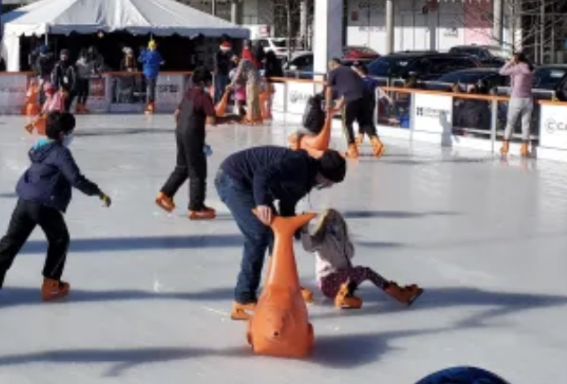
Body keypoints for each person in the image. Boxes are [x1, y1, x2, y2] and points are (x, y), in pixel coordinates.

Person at [0, 112, 111, 306]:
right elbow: (75, 179)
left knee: (10, 243)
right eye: (70, 132)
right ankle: (51, 284)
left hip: (24, 200)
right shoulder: (60, 152)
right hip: (44, 203)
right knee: (60, 239)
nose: (71, 135)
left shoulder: (39, 148)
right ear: (62, 134)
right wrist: (98, 192)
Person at [213, 144, 347, 319]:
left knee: (277, 237)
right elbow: (262, 175)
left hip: (253, 186)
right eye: (330, 182)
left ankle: (282, 283)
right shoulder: (298, 164)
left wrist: (297, 231)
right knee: (258, 235)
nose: (329, 186)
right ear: (324, 175)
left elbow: (287, 205)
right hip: (233, 179)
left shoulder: (306, 179)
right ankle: (243, 298)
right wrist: (261, 202)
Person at [299, 208, 422, 308]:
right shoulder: (321, 240)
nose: (334, 225)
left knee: (356, 274)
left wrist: (344, 241)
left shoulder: (343, 240)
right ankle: (398, 294)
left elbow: (350, 254)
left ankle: (345, 296)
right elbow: (308, 246)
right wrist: (304, 229)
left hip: (341, 280)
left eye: (336, 220)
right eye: (330, 221)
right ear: (324, 224)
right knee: (365, 271)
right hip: (328, 282)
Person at [155, 68, 217, 220]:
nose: (210, 84)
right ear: (203, 82)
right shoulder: (203, 96)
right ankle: (196, 208)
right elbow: (212, 120)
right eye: (209, 81)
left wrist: (183, 131)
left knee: (182, 167)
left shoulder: (188, 94)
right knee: (198, 170)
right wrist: (233, 118)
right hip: (192, 135)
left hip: (181, 132)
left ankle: (165, 194)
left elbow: (176, 114)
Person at [325, 56, 369, 159]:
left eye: (329, 67)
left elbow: (329, 90)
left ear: (332, 65)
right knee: (356, 120)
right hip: (363, 97)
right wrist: (337, 106)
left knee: (346, 123)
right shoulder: (350, 70)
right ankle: (358, 141)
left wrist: (328, 105)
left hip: (352, 98)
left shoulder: (334, 72)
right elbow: (350, 89)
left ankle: (352, 149)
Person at [499, 52, 535, 157]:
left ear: (516, 59)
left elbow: (501, 72)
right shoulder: (530, 68)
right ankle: (524, 149)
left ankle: (505, 146)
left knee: (510, 123)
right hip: (528, 99)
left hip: (516, 99)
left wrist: (509, 63)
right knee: (526, 125)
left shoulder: (517, 68)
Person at [352, 63, 384, 156]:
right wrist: (387, 98)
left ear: (360, 71)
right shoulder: (372, 80)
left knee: (365, 123)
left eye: (357, 71)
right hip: (370, 104)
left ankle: (376, 142)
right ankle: (360, 139)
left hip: (361, 103)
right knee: (366, 122)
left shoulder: (358, 81)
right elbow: (380, 90)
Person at [139, 39, 164, 114]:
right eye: (153, 46)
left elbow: (140, 59)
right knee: (151, 89)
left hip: (149, 73)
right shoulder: (156, 53)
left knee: (150, 89)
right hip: (152, 73)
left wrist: (144, 52)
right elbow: (162, 62)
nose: (154, 47)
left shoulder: (148, 53)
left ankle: (150, 105)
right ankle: (150, 105)